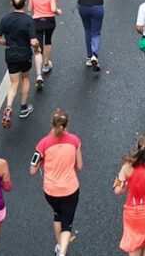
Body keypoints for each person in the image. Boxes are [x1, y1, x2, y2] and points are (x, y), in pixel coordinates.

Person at [32, 109, 84, 256]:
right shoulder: (74, 141)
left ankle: (60, 246)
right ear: (67, 124)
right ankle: (62, 253)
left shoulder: (43, 144)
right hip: (70, 190)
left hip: (50, 191)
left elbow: (32, 169)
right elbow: (79, 166)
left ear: (52, 124)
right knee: (66, 224)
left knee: (57, 215)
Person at [0, 0, 40, 128]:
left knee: (14, 82)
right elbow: (33, 41)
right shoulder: (28, 20)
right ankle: (24, 107)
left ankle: (8, 106)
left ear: (11, 4)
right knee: (25, 78)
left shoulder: (5, 19)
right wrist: (37, 48)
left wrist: (6, 43)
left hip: (10, 55)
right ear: (24, 4)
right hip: (24, 54)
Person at [30, 0, 60, 87]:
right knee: (48, 41)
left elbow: (30, 8)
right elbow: (53, 9)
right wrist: (58, 11)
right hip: (49, 22)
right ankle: (46, 64)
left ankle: (38, 75)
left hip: (37, 22)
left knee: (38, 48)